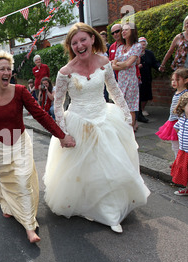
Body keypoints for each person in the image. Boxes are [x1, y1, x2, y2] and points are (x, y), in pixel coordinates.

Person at [0, 51, 75, 243]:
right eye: (2, 69)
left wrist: (61, 135)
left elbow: (40, 115)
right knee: (7, 179)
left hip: (20, 143)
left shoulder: (20, 91)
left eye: (9, 69)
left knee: (22, 181)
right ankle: (6, 202)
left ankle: (29, 226)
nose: (7, 72)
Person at [44, 22, 150, 233]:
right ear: (70, 47)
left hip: (105, 119)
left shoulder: (104, 62)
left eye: (83, 39)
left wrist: (127, 115)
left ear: (93, 39)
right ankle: (93, 208)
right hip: (78, 123)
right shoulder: (65, 72)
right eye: (74, 43)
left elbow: (115, 90)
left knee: (111, 167)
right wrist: (63, 133)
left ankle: (111, 210)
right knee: (88, 171)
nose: (79, 45)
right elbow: (58, 104)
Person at [112, 22, 143, 131]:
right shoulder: (120, 48)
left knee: (131, 108)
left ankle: (130, 132)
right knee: (120, 106)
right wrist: (123, 64)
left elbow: (128, 64)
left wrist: (121, 64)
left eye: (126, 30)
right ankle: (121, 130)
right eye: (123, 30)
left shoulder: (137, 46)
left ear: (132, 31)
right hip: (121, 82)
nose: (123, 32)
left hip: (131, 81)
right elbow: (113, 65)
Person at [156, 68, 188, 159]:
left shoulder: (185, 94)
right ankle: (177, 161)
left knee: (180, 145)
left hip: (179, 122)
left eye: (177, 80)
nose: (174, 82)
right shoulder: (177, 92)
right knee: (175, 146)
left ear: (186, 80)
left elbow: (186, 110)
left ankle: (179, 162)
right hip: (173, 122)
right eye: (172, 80)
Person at [138, 37, 160, 122]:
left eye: (144, 44)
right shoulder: (135, 54)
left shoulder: (149, 53)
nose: (142, 46)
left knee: (146, 93)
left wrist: (159, 67)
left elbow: (155, 62)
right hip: (138, 77)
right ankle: (138, 110)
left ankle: (143, 109)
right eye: (141, 44)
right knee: (139, 94)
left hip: (147, 76)